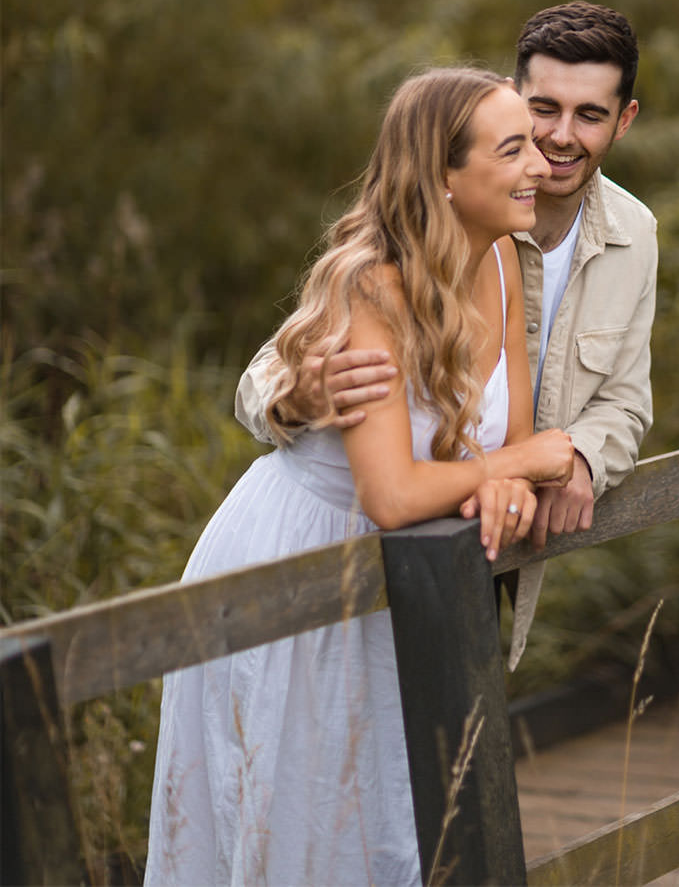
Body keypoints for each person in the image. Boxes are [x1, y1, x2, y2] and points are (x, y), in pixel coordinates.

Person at [144, 68, 574, 887]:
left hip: (406, 574)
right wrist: (515, 465)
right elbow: (393, 493)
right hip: (307, 552)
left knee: (400, 817)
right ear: (444, 177)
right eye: (512, 148)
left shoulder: (505, 260)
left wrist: (505, 481)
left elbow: (508, 439)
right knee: (306, 820)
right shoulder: (372, 284)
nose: (538, 165)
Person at [236, 1, 658, 661]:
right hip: (335, 552)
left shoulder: (629, 237)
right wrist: (301, 393)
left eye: (590, 115)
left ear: (623, 120)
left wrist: (573, 459)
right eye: (541, 111)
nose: (557, 140)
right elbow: (272, 371)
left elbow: (624, 400)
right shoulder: (412, 237)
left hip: (476, 540)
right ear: (512, 99)